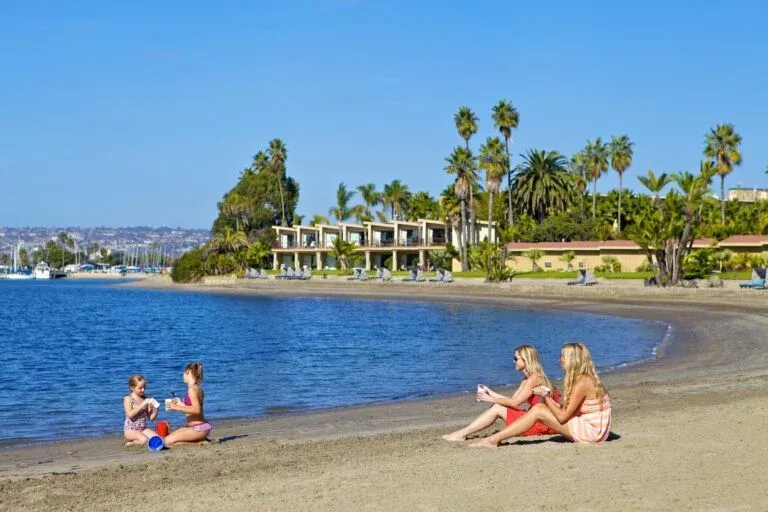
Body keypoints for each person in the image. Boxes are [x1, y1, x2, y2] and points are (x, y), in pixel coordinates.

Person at [471, 342, 612, 448]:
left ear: (571, 360)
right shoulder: (585, 378)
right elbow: (568, 411)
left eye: (562, 356)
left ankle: (492, 440)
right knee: (538, 408)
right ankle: (492, 439)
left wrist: (546, 397)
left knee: (538, 409)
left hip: (592, 432)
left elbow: (562, 418)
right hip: (595, 429)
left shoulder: (581, 383)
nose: (560, 360)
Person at [442, 345, 562, 442]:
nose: (513, 361)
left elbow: (514, 402)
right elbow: (513, 401)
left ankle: (461, 434)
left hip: (542, 423)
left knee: (497, 407)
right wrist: (490, 392)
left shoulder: (534, 378)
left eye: (516, 359)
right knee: (498, 406)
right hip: (538, 419)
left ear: (526, 360)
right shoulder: (527, 379)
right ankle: (461, 433)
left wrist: (490, 399)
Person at [164, 362, 212, 446]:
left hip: (199, 429)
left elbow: (196, 410)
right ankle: (200, 439)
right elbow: (192, 407)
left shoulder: (192, 390)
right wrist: (180, 403)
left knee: (167, 441)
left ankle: (199, 442)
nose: (182, 375)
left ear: (188, 372)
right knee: (167, 438)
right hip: (201, 427)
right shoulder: (197, 388)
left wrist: (176, 407)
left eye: (183, 373)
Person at [123, 374, 158, 446]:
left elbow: (151, 418)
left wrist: (155, 410)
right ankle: (131, 443)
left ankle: (139, 440)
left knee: (157, 439)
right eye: (140, 388)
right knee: (144, 440)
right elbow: (130, 414)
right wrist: (142, 404)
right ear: (132, 387)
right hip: (130, 431)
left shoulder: (145, 399)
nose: (143, 390)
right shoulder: (128, 399)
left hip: (143, 429)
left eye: (144, 387)